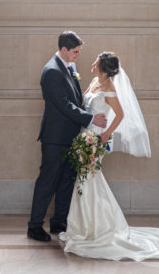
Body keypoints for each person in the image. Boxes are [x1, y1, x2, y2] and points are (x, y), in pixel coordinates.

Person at [58, 52, 159, 260]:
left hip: (97, 138)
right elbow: (84, 106)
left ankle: (97, 228)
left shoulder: (109, 87)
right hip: (84, 133)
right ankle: (84, 226)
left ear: (105, 69)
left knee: (88, 178)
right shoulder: (93, 81)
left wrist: (106, 134)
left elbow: (120, 114)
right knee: (84, 179)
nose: (92, 64)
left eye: (96, 63)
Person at [27, 31, 107, 242]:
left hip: (71, 135)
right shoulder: (51, 71)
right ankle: (34, 226)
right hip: (55, 137)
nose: (78, 55)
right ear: (64, 50)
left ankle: (59, 221)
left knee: (66, 181)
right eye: (75, 52)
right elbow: (63, 105)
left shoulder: (71, 66)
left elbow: (76, 97)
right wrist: (90, 119)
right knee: (48, 181)